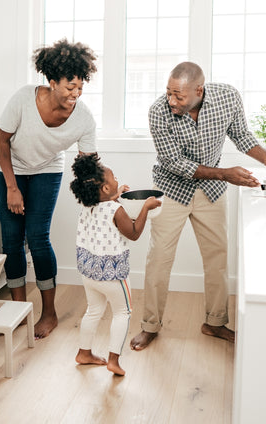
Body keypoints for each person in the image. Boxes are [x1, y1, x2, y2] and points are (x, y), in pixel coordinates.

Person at [130, 61, 266, 350]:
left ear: (199, 90)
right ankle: (150, 326)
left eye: (179, 96)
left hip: (211, 190)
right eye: (168, 92)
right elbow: (174, 163)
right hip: (171, 188)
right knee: (159, 260)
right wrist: (225, 173)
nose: (171, 100)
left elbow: (241, 135)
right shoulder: (159, 111)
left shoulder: (227, 97)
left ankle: (215, 323)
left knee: (218, 258)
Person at [0, 38, 98, 339]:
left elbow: (88, 165)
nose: (76, 94)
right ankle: (17, 311)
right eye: (69, 87)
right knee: (12, 240)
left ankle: (48, 313)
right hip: (9, 168)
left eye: (80, 87)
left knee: (37, 237)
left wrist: (103, 194)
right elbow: (1, 141)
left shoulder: (83, 118)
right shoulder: (23, 99)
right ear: (52, 82)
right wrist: (12, 187)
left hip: (47, 170)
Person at [70, 154, 161, 375]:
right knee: (123, 312)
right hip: (112, 275)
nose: (117, 179)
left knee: (93, 311)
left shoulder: (88, 205)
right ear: (106, 189)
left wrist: (116, 196)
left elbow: (106, 212)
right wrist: (145, 209)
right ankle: (114, 360)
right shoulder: (116, 210)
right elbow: (133, 233)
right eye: (114, 179)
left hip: (89, 272)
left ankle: (84, 353)